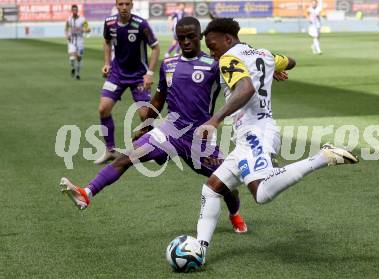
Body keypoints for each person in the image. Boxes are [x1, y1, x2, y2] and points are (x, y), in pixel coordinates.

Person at [59, 17, 248, 233]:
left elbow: (242, 81)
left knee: (228, 188)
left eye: (191, 37)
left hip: (199, 140)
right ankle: (87, 193)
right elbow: (159, 100)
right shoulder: (168, 65)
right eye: (181, 37)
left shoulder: (214, 66)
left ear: (200, 37)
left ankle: (235, 215)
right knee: (126, 158)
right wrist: (146, 124)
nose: (185, 41)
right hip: (169, 132)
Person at [193, 18, 359, 259]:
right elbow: (291, 61)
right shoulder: (264, 54)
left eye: (213, 45)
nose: (212, 52)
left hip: (255, 132)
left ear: (228, 39)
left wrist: (214, 120)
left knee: (261, 193)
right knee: (211, 189)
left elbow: (245, 89)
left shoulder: (229, 58)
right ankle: (200, 250)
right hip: (250, 135)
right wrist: (275, 68)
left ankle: (323, 157)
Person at [94, 0, 160, 164]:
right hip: (117, 74)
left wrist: (149, 73)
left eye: (127, 4)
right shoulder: (109, 23)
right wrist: (107, 63)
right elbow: (107, 42)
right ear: (116, 5)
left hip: (138, 75)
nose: (124, 7)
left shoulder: (141, 24)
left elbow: (156, 47)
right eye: (121, 4)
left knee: (145, 115)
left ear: (132, 5)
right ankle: (110, 150)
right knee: (103, 109)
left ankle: (151, 150)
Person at [65, 4, 90, 80]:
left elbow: (88, 29)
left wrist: (82, 29)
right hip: (72, 41)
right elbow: (66, 28)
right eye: (73, 10)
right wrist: (67, 35)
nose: (75, 11)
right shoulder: (69, 20)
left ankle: (77, 74)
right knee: (72, 57)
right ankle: (73, 68)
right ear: (71, 11)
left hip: (80, 41)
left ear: (77, 11)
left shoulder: (83, 20)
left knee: (79, 58)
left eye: (76, 10)